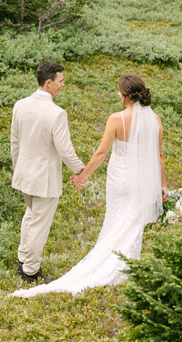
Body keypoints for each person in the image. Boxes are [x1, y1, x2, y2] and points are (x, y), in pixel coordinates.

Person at [12, 72, 165, 298]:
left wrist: (82, 175)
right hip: (143, 181)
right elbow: (159, 156)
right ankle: (128, 266)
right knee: (133, 222)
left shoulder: (116, 119)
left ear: (124, 96)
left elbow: (101, 153)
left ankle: (110, 265)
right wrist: (163, 186)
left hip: (120, 179)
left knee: (116, 220)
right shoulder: (156, 119)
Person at [9, 59, 86, 285]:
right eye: (61, 81)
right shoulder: (56, 113)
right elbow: (65, 150)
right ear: (49, 82)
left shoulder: (20, 105)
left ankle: (23, 261)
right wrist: (80, 171)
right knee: (39, 226)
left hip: (24, 175)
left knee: (30, 216)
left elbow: (15, 143)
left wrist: (18, 168)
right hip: (45, 179)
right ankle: (30, 272)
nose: (63, 85)